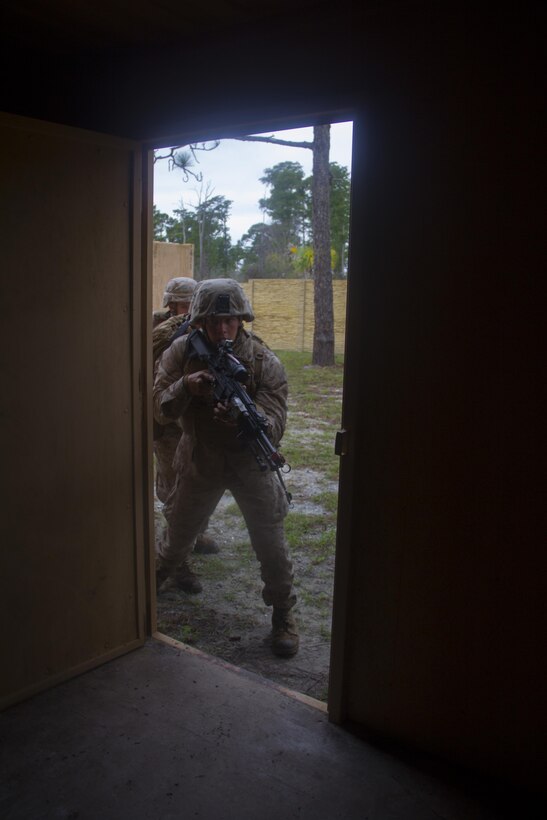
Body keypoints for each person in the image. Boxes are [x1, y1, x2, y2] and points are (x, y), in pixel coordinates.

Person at [153, 278, 298, 657]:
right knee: (179, 532)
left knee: (271, 543)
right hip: (200, 458)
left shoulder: (264, 361)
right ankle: (157, 578)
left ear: (241, 319)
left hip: (252, 462)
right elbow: (158, 406)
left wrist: (250, 422)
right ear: (199, 319)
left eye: (230, 320)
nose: (222, 329)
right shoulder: (180, 353)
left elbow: (276, 420)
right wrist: (187, 385)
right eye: (214, 320)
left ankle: (283, 612)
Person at [153, 276, 219, 556]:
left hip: (194, 418)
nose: (193, 308)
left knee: (200, 480)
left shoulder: (200, 329)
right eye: (187, 303)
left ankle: (196, 533)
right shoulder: (162, 332)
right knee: (173, 485)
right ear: (173, 304)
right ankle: (176, 559)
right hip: (167, 421)